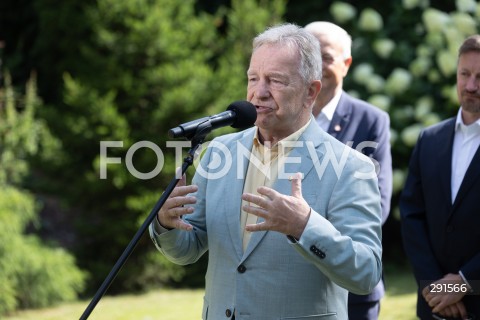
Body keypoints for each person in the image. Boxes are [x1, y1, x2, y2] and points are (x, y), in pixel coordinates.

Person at [149, 23, 383, 320]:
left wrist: (304, 226)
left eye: (275, 80)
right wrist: (167, 224)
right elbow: (188, 249)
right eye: (253, 78)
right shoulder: (218, 152)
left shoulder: (351, 167)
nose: (259, 92)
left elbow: (366, 274)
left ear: (310, 92)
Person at [305, 21, 392, 320]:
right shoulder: (280, 118)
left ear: (347, 64)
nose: (316, 65)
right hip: (292, 285)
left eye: (326, 56)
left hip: (352, 287)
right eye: (309, 55)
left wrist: (302, 226)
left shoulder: (372, 120)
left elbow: (377, 205)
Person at [400, 35, 480, 320]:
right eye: (465, 74)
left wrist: (465, 281)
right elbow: (411, 215)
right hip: (434, 305)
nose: (471, 86)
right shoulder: (430, 139)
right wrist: (434, 286)